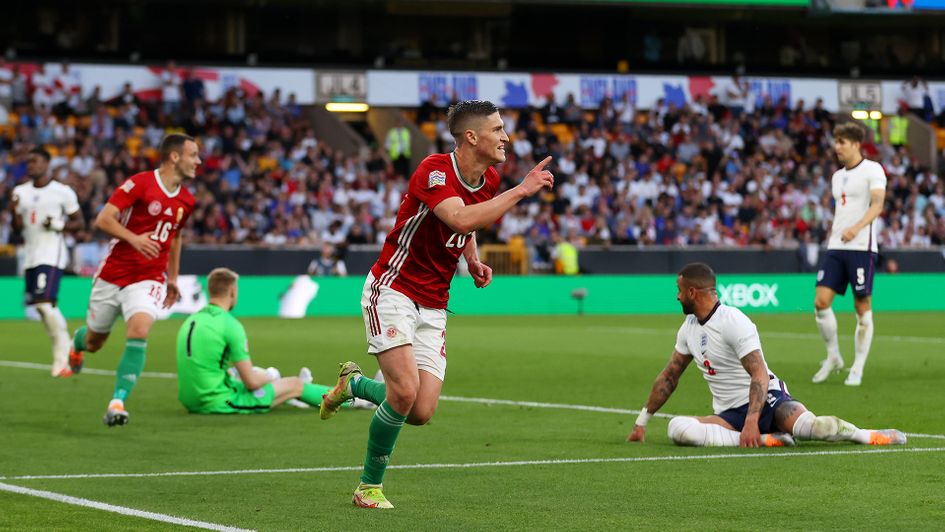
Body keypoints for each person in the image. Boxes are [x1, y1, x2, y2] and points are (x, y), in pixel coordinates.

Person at [318, 99, 554, 509]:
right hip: (393, 289)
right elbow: (459, 217)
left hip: (434, 303)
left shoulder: (489, 178)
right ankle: (368, 487)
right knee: (405, 392)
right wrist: (523, 190)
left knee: (421, 411)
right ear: (471, 137)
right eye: (497, 129)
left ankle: (353, 384)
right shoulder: (433, 170)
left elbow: (470, 221)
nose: (505, 136)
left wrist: (472, 258)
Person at [627, 263, 905, 449]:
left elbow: (759, 373)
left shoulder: (733, 320)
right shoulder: (688, 329)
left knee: (817, 427)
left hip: (769, 400)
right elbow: (669, 377)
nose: (676, 297)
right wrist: (642, 422)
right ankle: (768, 439)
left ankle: (870, 436)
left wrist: (751, 420)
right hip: (728, 414)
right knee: (678, 429)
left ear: (692, 292)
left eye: (679, 291)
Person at [69, 133, 199, 426]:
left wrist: (173, 277)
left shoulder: (187, 200)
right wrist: (134, 239)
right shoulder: (140, 184)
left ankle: (117, 401)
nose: (198, 161)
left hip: (149, 277)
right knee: (94, 341)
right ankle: (76, 344)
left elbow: (176, 237)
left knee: (139, 330)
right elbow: (103, 219)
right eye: (193, 155)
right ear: (174, 156)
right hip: (113, 274)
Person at [175, 267, 369, 414]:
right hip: (215, 401)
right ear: (233, 292)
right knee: (294, 384)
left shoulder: (191, 320)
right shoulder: (230, 325)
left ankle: (290, 395)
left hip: (190, 398)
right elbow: (251, 383)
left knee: (252, 375)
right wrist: (270, 375)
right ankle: (355, 400)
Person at [812, 123, 886, 386]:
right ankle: (833, 356)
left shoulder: (873, 170)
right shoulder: (837, 176)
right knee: (821, 302)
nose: (837, 147)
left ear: (856, 144)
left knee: (861, 307)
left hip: (860, 247)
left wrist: (856, 228)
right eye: (836, 142)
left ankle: (858, 366)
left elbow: (877, 204)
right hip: (836, 245)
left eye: (842, 142)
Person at [10, 147, 85, 376]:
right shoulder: (20, 192)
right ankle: (68, 350)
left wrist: (57, 225)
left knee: (44, 303)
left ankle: (61, 356)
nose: (31, 165)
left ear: (47, 164)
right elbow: (17, 230)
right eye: (29, 162)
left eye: (35, 161)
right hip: (31, 255)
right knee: (42, 308)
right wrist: (14, 212)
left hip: (52, 254)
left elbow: (79, 223)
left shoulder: (62, 192)